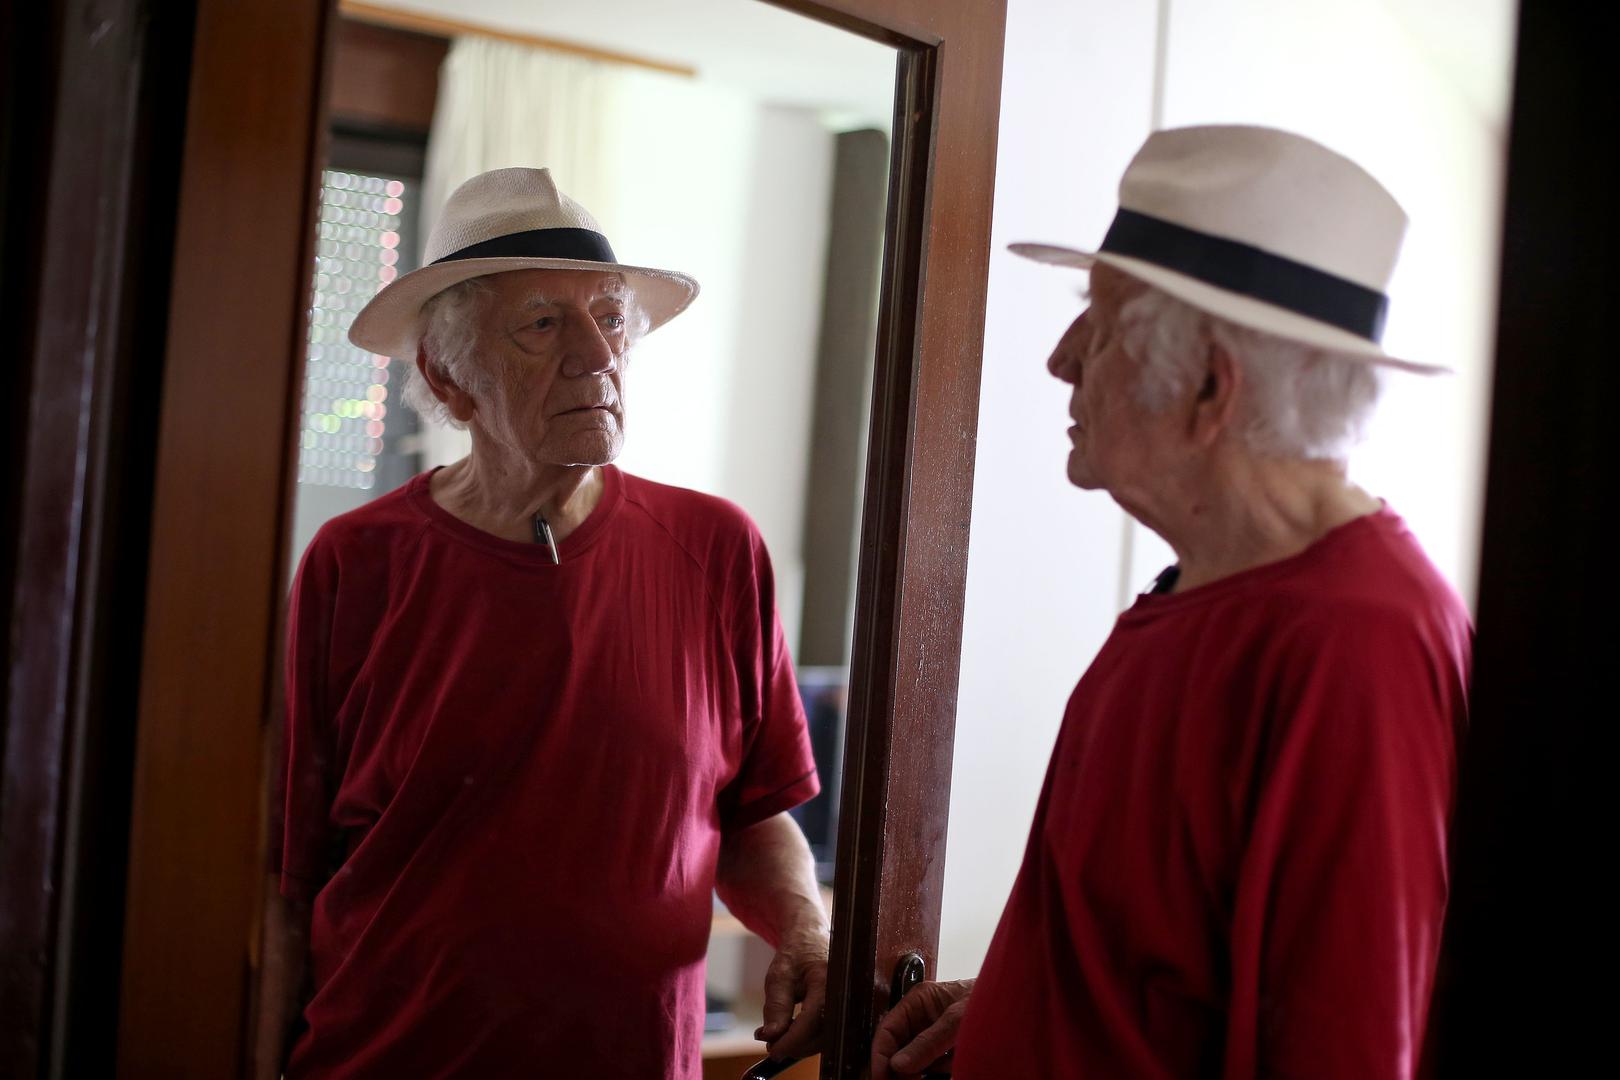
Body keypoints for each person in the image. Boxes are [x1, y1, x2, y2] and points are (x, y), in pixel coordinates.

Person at [872, 126, 1472, 1078]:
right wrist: (1025, 997)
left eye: (1100, 323)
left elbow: (1341, 1045)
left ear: (1209, 387)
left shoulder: (1359, 645)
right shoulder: (1203, 592)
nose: (1062, 359)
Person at [259, 167, 829, 1079]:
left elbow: (753, 814)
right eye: (542, 324)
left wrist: (806, 929)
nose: (596, 355)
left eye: (610, 318)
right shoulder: (354, 562)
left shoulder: (717, 548)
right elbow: (284, 879)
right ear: (448, 378)